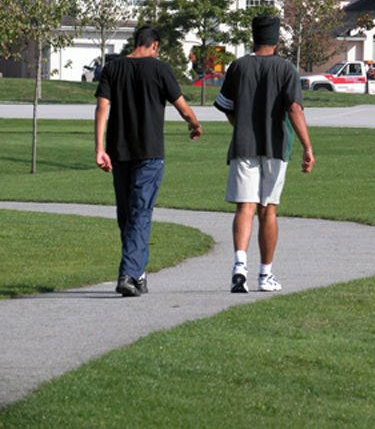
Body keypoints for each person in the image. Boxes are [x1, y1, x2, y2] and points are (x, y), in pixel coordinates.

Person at [94, 25, 202, 297]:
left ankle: (137, 273)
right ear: (154, 45)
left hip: (119, 151)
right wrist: (194, 124)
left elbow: (101, 107)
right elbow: (181, 105)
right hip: (150, 153)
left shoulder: (112, 68)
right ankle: (129, 274)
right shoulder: (160, 69)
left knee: (127, 214)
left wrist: (99, 148)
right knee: (139, 213)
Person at [214, 16, 315, 293]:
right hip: (276, 147)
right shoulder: (286, 68)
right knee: (268, 210)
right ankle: (265, 274)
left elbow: (226, 106)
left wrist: (242, 125)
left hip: (243, 146)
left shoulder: (238, 66)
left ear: (253, 37)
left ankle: (239, 266)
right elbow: (294, 109)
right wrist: (307, 147)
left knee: (244, 207)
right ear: (277, 40)